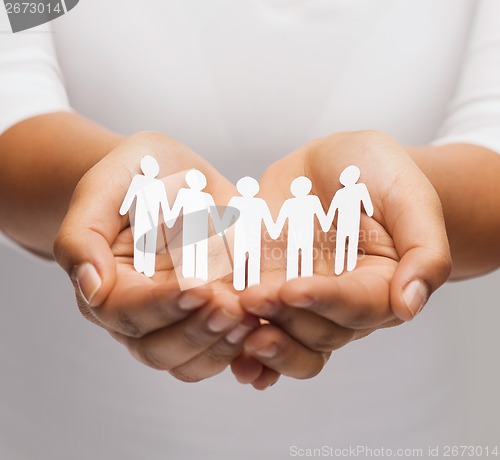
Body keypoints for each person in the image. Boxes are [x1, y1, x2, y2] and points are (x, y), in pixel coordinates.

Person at [1, 1, 500, 459]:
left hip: (401, 432)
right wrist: (100, 186)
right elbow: (11, 93)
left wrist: (407, 204)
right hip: (72, 431)